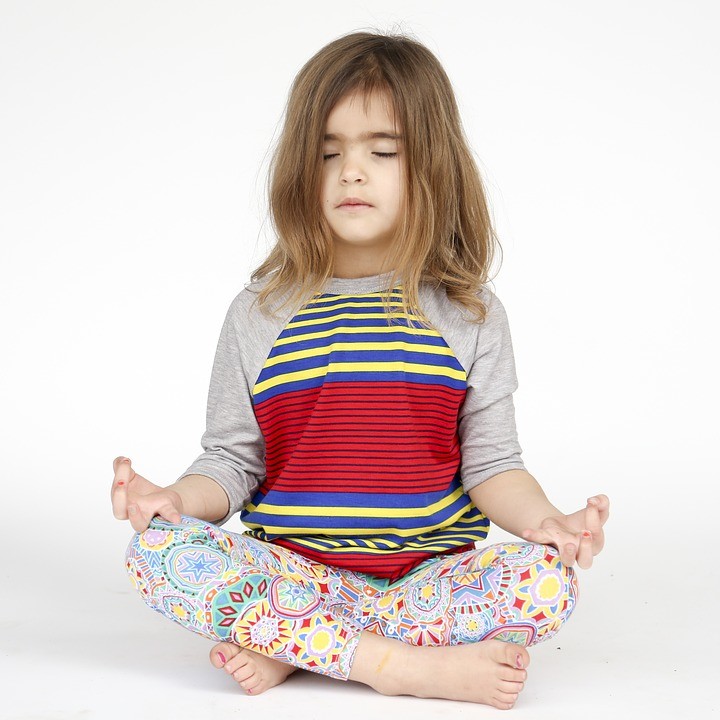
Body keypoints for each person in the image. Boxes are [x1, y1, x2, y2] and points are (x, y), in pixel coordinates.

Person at [111, 30, 610, 711]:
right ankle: (394, 665)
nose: (351, 171)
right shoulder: (259, 314)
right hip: (294, 577)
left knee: (549, 582)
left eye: (382, 152)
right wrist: (173, 500)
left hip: (428, 584)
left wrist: (547, 522)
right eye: (328, 154)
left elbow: (493, 464)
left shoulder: (470, 315)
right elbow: (231, 460)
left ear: (432, 167)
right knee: (157, 553)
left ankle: (302, 647)